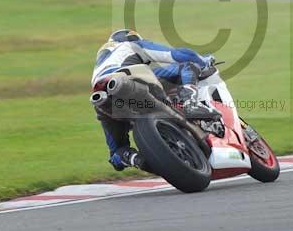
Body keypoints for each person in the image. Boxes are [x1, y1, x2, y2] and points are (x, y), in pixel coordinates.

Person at [91, 29, 220, 171]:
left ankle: (133, 158)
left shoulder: (99, 69)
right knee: (188, 65)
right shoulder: (130, 45)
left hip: (101, 100)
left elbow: (115, 162)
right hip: (127, 79)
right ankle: (190, 103)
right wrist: (204, 60)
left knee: (117, 152)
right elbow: (178, 54)